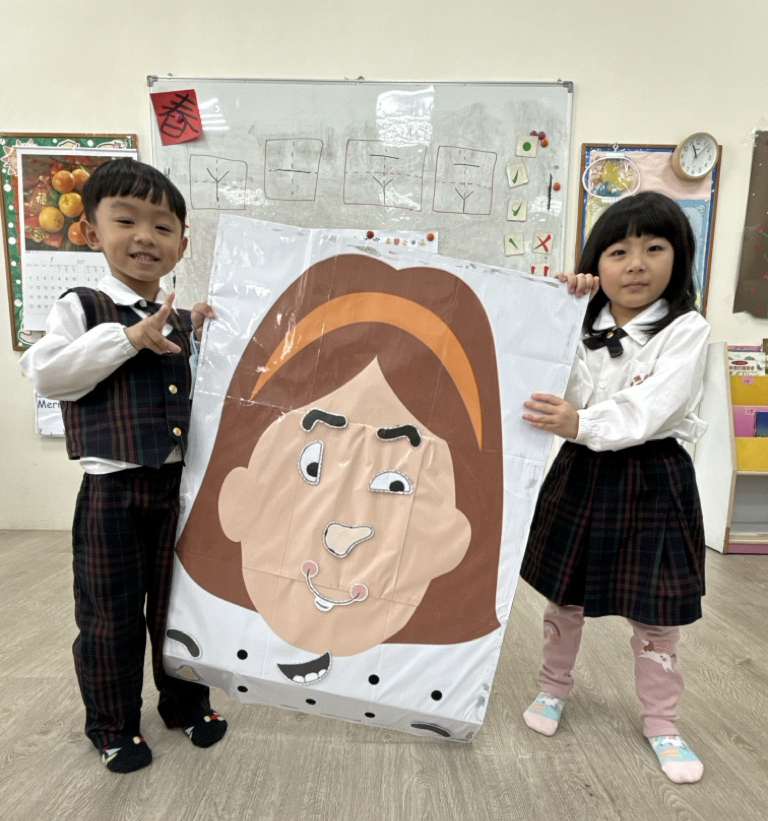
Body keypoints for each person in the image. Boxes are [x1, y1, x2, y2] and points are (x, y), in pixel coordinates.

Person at [176, 253, 505, 658]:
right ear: (239, 498)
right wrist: (204, 339)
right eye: (311, 467)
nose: (341, 537)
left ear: (447, 541)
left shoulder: (434, 674)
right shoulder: (204, 640)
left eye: (395, 484)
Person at [20, 158, 227, 773]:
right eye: (126, 221)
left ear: (182, 244)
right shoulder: (82, 307)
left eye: (162, 228)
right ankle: (113, 724)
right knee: (110, 615)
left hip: (179, 488)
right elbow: (48, 373)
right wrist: (128, 338)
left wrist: (202, 336)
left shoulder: (181, 319)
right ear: (91, 232)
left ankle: (186, 703)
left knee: (180, 607)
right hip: (111, 491)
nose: (145, 237)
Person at [519, 191, 709, 784]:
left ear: (679, 257)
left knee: (657, 612)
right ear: (596, 262)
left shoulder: (687, 329)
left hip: (653, 478)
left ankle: (662, 721)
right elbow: (554, 385)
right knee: (565, 595)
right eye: (618, 251)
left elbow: (654, 407)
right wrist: (561, 307)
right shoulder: (580, 319)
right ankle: (553, 687)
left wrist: (580, 422)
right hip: (581, 471)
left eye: (655, 248)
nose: (636, 264)